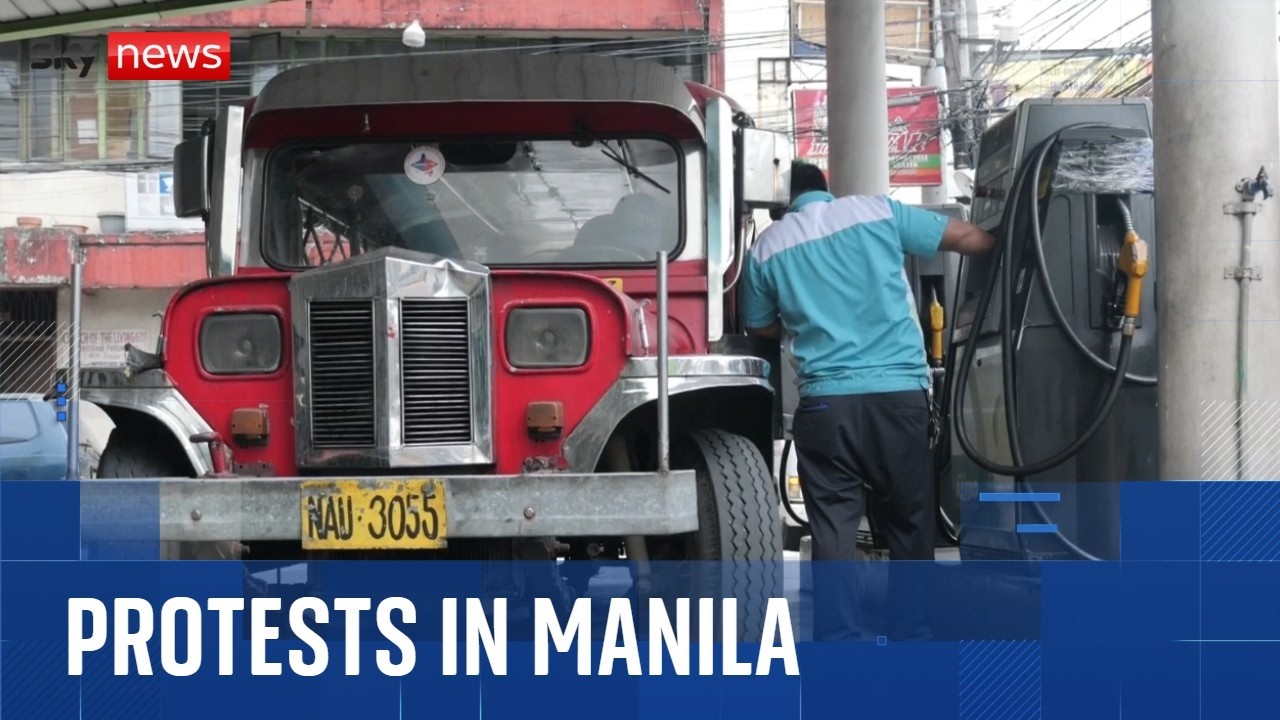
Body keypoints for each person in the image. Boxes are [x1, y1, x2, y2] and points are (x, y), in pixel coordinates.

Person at [742, 160, 995, 639]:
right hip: (898, 398)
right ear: (826, 189)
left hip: (824, 407)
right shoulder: (876, 212)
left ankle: (840, 645)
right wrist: (1012, 244)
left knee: (834, 528)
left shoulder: (765, 250)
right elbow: (967, 238)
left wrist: (804, 314)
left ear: (782, 203)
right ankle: (911, 637)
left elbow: (760, 327)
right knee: (909, 522)